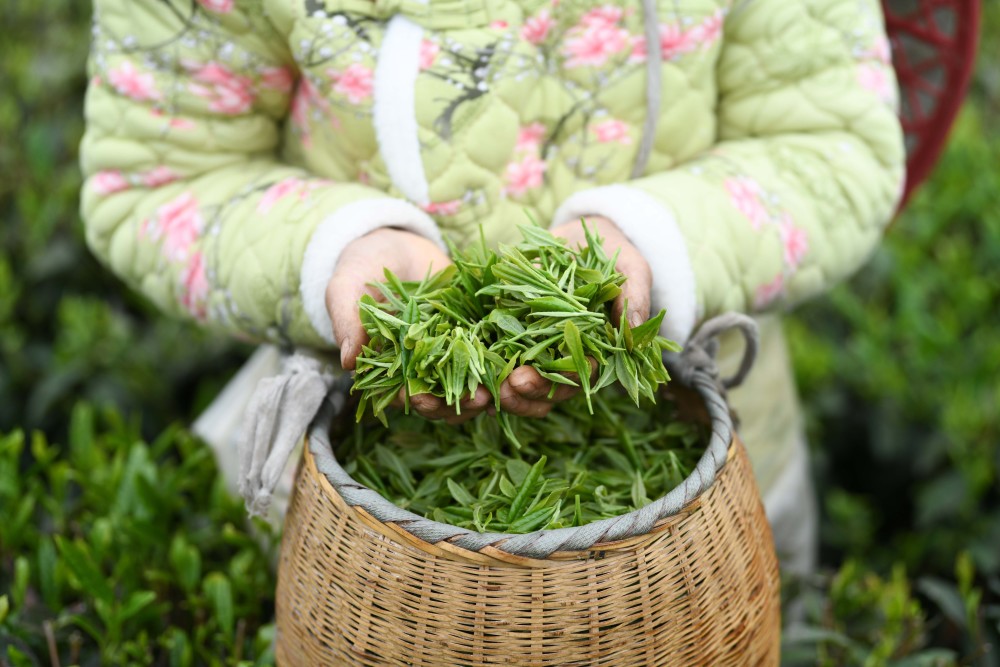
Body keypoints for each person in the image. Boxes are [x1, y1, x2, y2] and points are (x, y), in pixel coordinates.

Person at [80, 0, 905, 576]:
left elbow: (832, 142)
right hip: (365, 463)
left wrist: (653, 241)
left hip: (706, 449)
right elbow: (159, 172)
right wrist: (335, 249)